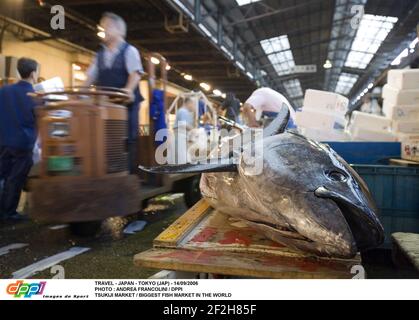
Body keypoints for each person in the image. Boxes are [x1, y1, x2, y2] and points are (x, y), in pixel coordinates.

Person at [85, 12, 144, 173]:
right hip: (106, 105)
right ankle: (108, 171)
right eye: (102, 27)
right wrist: (81, 92)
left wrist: (128, 90)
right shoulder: (100, 54)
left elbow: (136, 74)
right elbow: (91, 76)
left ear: (119, 30)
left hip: (127, 104)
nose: (103, 30)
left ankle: (129, 174)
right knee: (105, 137)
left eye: (107, 26)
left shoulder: (129, 51)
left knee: (128, 138)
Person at [0, 57, 39, 222]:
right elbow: (39, 120)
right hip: (23, 143)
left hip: (3, 141)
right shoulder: (35, 95)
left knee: (2, 176)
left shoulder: (3, 91)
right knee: (15, 179)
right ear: (33, 74)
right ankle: (8, 213)